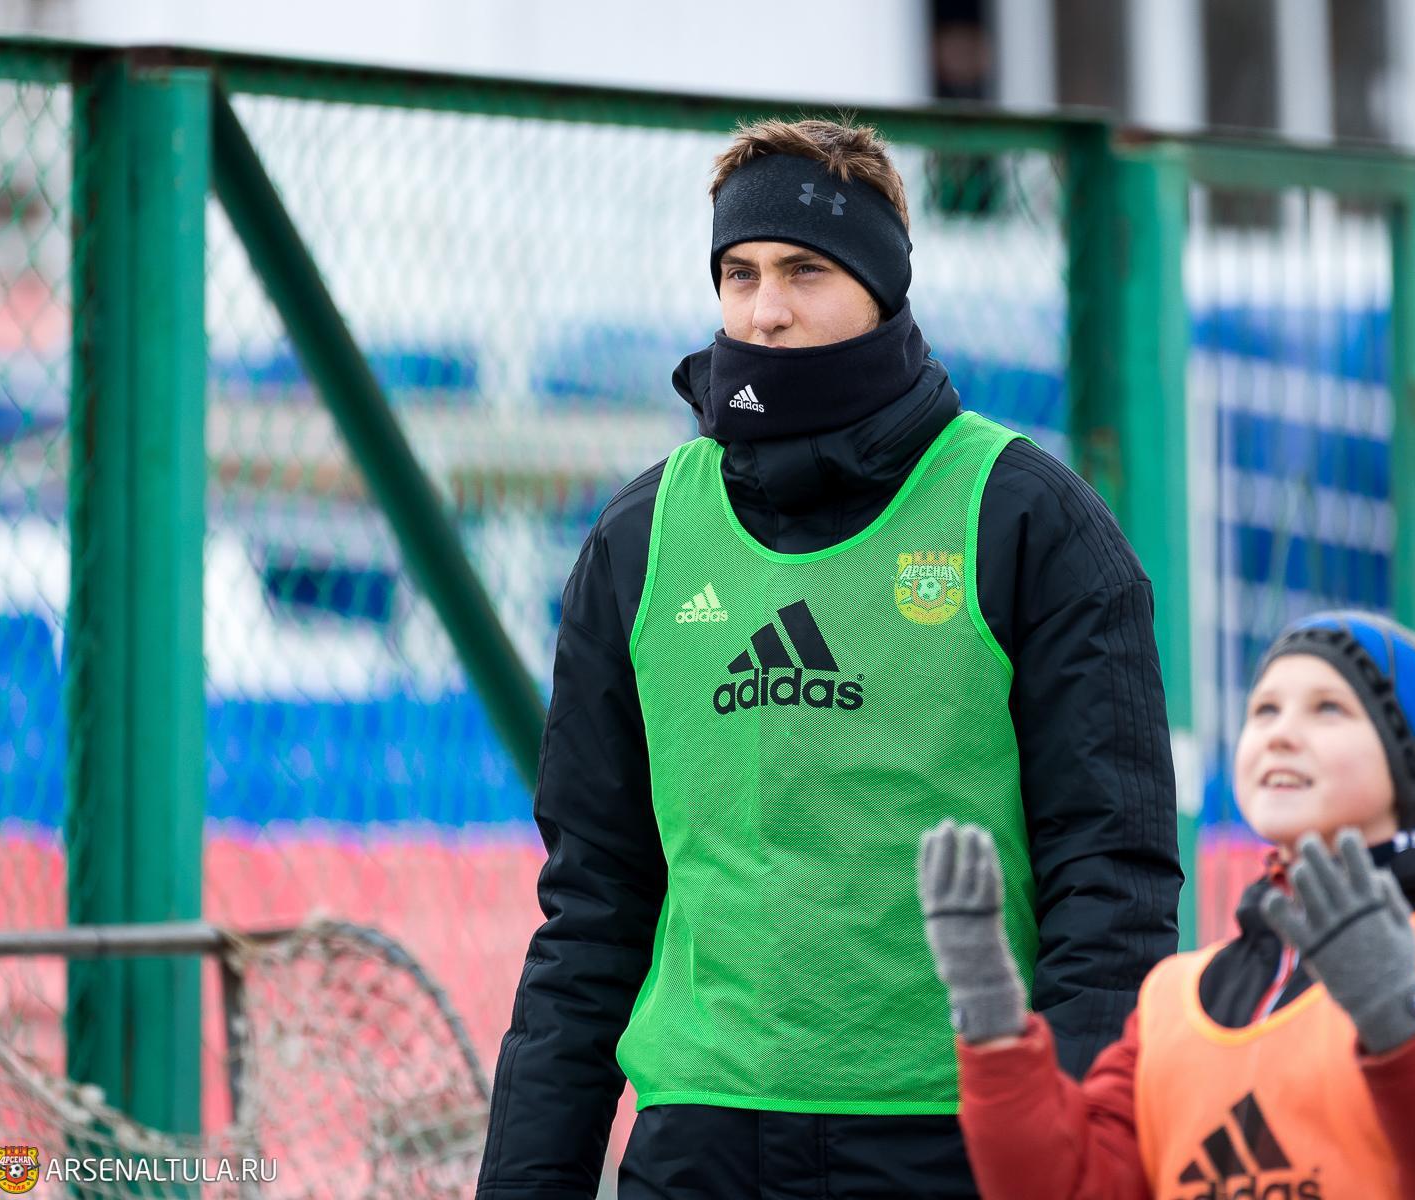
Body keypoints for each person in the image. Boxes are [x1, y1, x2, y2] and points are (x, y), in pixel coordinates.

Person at [475, 117, 1182, 1199]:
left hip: (954, 1138)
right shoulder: (641, 538)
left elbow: (1113, 888)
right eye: (741, 273)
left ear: (883, 289)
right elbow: (592, 905)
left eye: (805, 270)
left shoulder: (1025, 519)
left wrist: (1071, 1158)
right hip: (700, 1137)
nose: (766, 308)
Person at [921, 611, 1415, 1200]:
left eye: (1329, 708)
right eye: (1264, 710)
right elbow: (1074, 1189)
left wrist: (1398, 1013)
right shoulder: (1172, 1001)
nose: (1281, 735)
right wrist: (993, 1022)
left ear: (1412, 762)